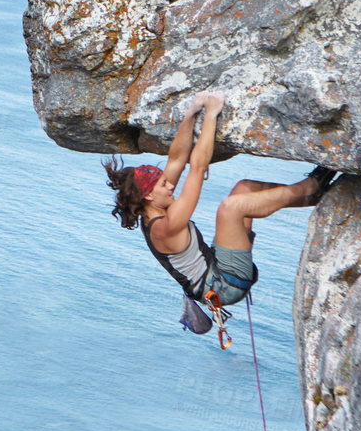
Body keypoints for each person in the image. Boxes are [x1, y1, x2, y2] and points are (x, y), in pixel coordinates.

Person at [102, 90, 338, 314]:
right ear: (148, 196)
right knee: (230, 208)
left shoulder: (152, 205)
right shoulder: (166, 226)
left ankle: (310, 197)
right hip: (225, 285)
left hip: (216, 264)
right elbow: (198, 168)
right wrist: (211, 115)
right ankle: (310, 187)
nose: (170, 185)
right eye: (163, 185)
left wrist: (192, 112)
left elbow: (177, 159)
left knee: (244, 189)